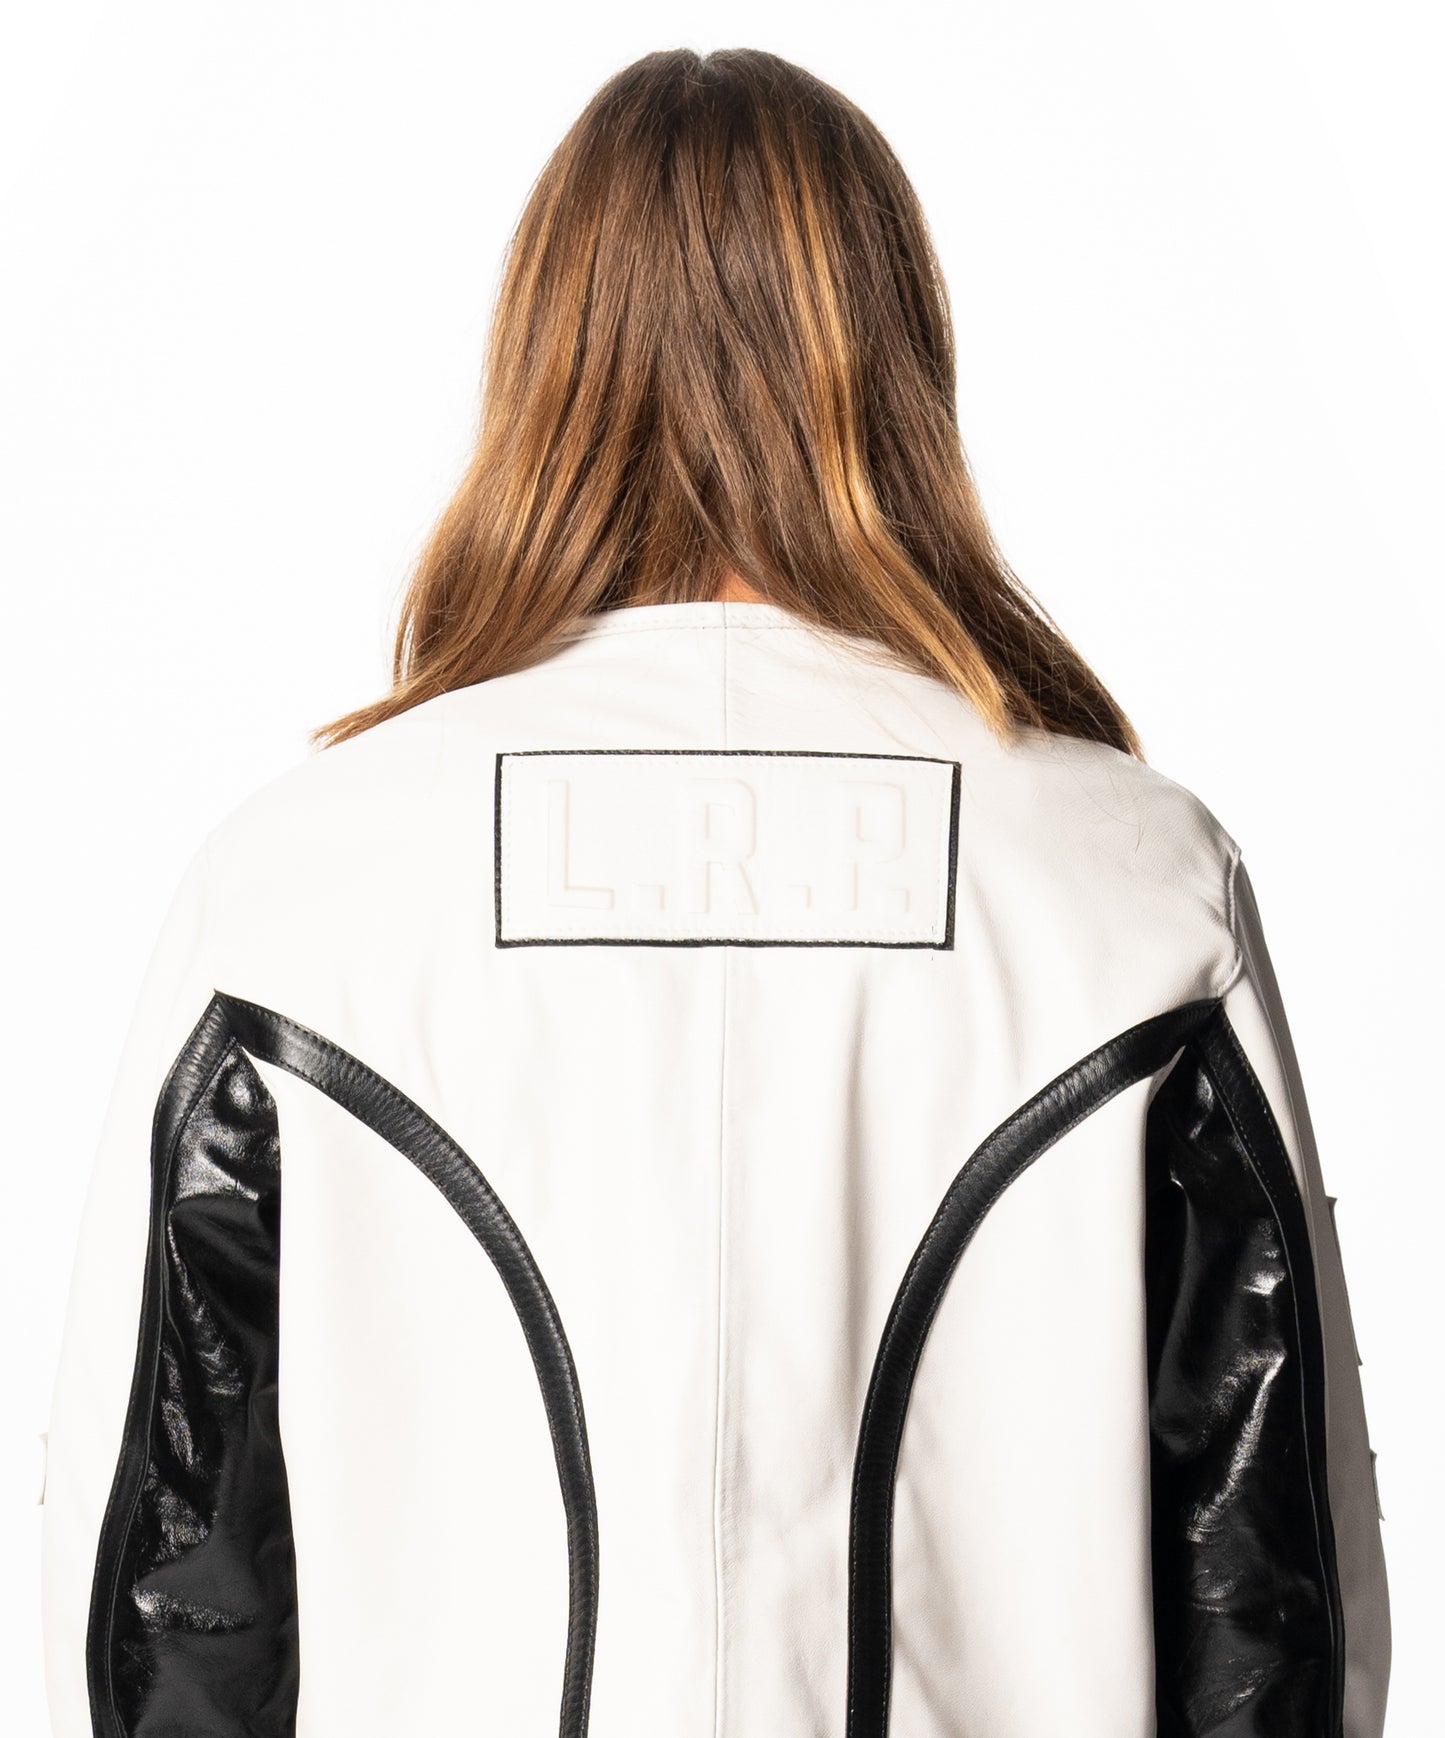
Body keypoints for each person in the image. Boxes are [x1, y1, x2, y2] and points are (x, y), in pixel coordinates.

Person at [39, 45, 1389, 1738]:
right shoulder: (1131, 881)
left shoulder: (296, 886)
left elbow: (168, 1606)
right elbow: (1270, 1595)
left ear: (544, 358)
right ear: (898, 360)